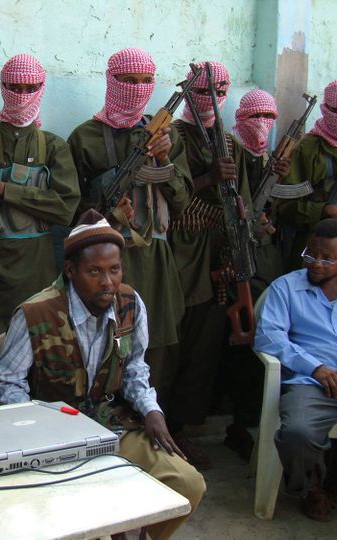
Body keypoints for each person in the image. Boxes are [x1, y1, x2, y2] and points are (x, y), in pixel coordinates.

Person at [0, 210, 205, 540]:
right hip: (55, 436)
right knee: (82, 512)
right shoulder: (36, 313)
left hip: (112, 425)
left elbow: (135, 368)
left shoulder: (130, 304)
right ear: (70, 271)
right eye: (95, 271)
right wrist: (34, 437)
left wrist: (152, 410)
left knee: (187, 483)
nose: (107, 281)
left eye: (114, 269)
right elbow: (10, 383)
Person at [67, 47, 192, 406]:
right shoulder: (85, 137)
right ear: (110, 80)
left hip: (156, 257)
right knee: (107, 342)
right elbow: (70, 209)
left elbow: (182, 200)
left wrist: (165, 158)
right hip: (105, 262)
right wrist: (105, 211)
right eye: (127, 80)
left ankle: (155, 423)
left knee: (160, 345)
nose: (137, 88)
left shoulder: (167, 136)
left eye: (145, 81)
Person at [0, 53, 80, 337]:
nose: (23, 95)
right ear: (2, 88)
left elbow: (64, 209)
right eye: (15, 87)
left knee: (34, 344)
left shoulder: (53, 147)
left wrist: (6, 190)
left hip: (35, 266)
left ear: (41, 89)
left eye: (31, 88)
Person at [165, 60, 253, 469]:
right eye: (203, 90)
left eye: (218, 90)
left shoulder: (229, 143)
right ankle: (160, 428)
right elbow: (175, 199)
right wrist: (209, 179)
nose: (210, 98)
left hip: (220, 252)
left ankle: (182, 429)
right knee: (172, 346)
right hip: (182, 254)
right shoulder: (175, 135)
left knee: (203, 351)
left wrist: (242, 212)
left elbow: (243, 204)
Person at [218, 89, 290, 460]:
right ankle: (238, 425)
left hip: (267, 266)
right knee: (241, 350)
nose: (263, 124)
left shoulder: (267, 160)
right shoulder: (234, 156)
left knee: (264, 342)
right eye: (256, 115)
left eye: (270, 117)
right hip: (238, 265)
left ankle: (251, 421)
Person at [254, 218, 337, 521]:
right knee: (297, 433)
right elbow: (269, 336)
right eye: (310, 253)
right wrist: (314, 367)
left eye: (327, 258)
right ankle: (311, 487)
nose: (316, 263)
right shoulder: (286, 287)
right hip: (309, 384)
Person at [276, 80, 337, 270]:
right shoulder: (308, 148)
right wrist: (324, 211)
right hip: (316, 250)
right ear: (326, 109)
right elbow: (285, 206)